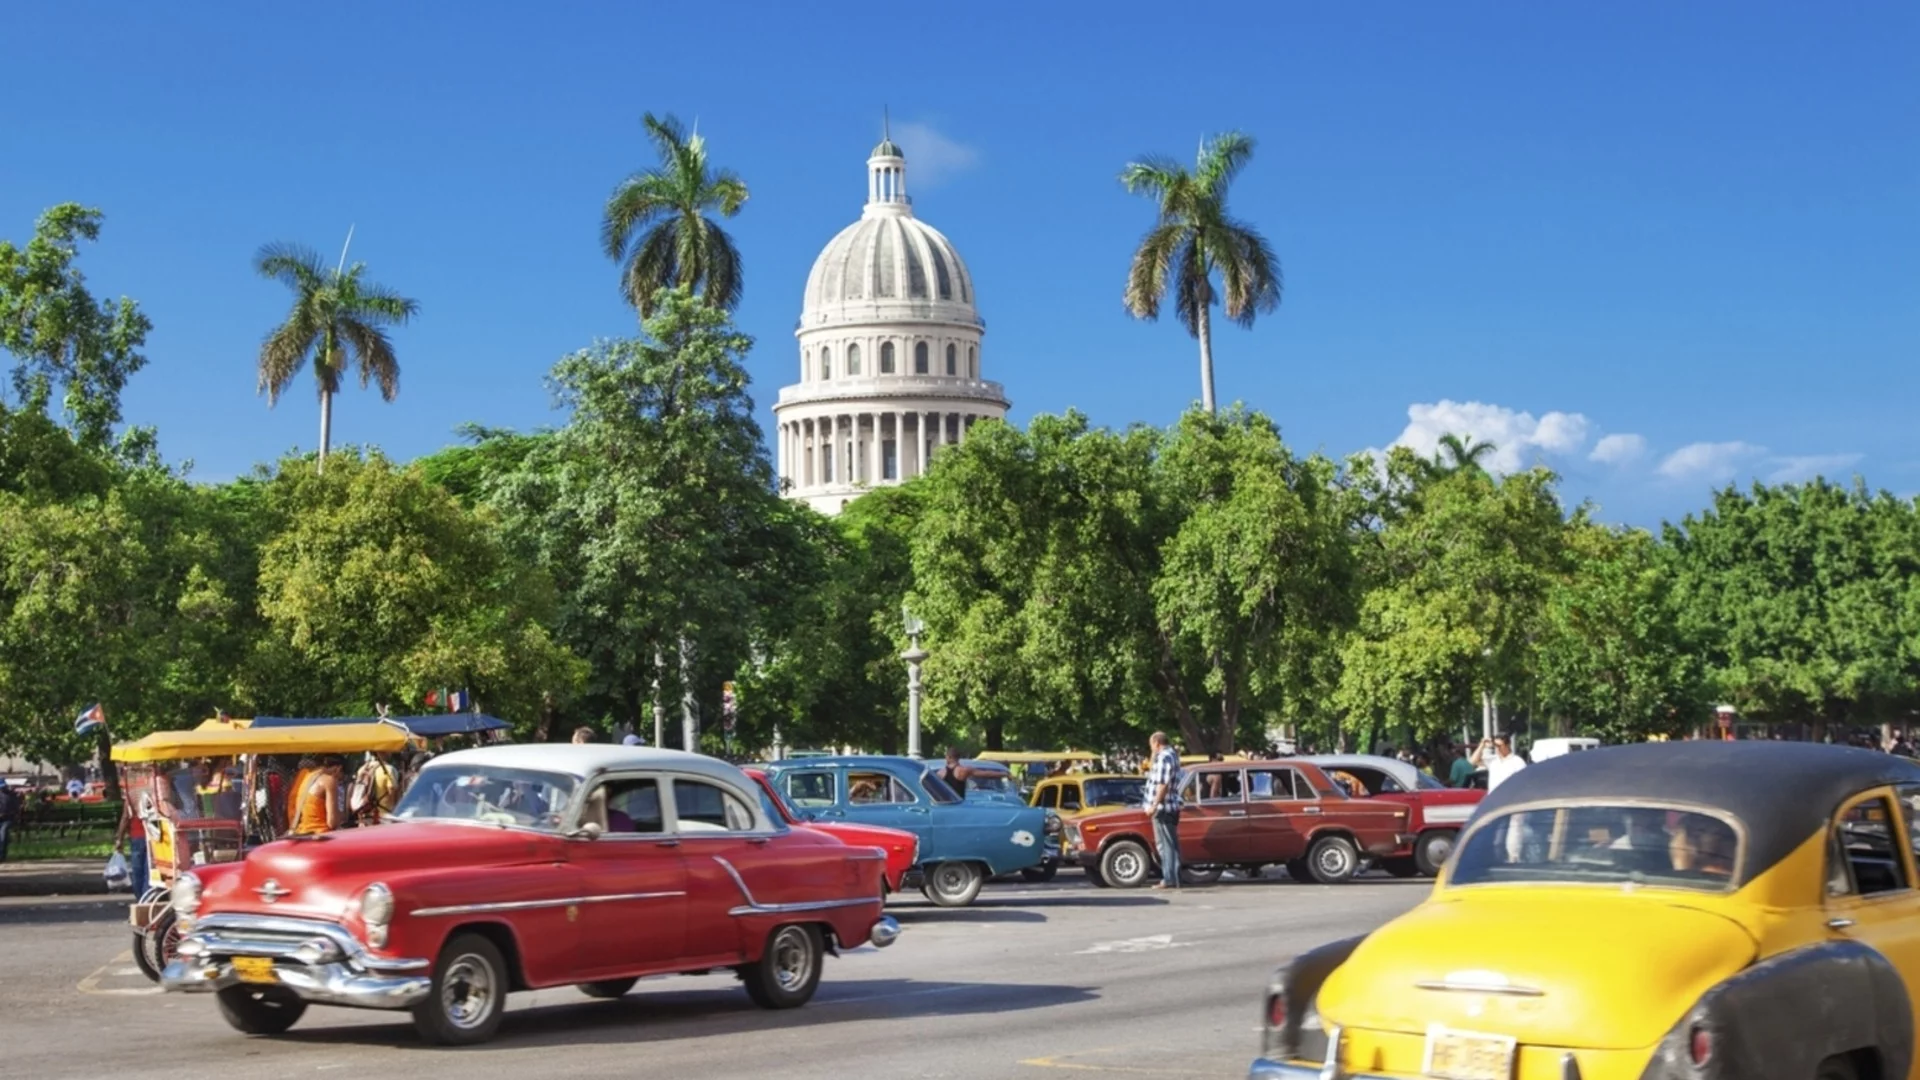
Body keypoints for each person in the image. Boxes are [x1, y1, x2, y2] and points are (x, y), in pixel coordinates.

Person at [1142, 731, 1185, 890]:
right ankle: (1173, 877)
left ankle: (1169, 878)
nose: (1151, 748)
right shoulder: (1172, 755)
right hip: (1169, 806)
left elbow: (1162, 784)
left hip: (1164, 808)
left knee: (1166, 845)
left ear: (1157, 743)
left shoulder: (1164, 757)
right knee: (1169, 844)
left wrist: (1154, 805)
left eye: (1151, 745)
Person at [292, 756, 346, 835]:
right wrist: (342, 815)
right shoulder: (329, 780)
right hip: (322, 833)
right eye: (341, 777)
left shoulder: (306, 777)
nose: (339, 780)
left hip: (302, 832)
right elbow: (332, 822)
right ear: (338, 769)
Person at [112, 793, 149, 896]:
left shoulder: (132, 796)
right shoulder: (153, 794)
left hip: (136, 836)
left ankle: (140, 896)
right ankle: (146, 896)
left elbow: (125, 818)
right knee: (149, 870)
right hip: (152, 836)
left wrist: (120, 838)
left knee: (137, 870)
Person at [350, 752, 399, 826]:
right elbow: (393, 795)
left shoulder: (362, 769)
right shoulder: (388, 770)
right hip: (383, 819)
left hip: (364, 818)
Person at [0, 781, 18, 863]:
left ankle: (2, 856)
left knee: (3, 835)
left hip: (8, 819)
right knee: (3, 837)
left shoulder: (11, 795)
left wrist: (6, 814)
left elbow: (15, 808)